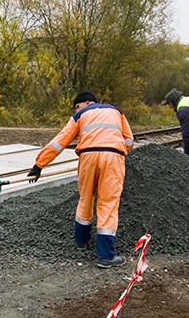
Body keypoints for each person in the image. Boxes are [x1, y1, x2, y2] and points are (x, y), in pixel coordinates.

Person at [27, 90, 134, 268]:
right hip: (113, 157)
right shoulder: (117, 112)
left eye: (77, 106)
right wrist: (117, 153)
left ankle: (81, 242)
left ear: (87, 103)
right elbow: (129, 140)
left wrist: (39, 165)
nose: (76, 110)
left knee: (85, 198)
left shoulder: (80, 116)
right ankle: (106, 256)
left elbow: (59, 141)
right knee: (108, 203)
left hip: (87, 158)